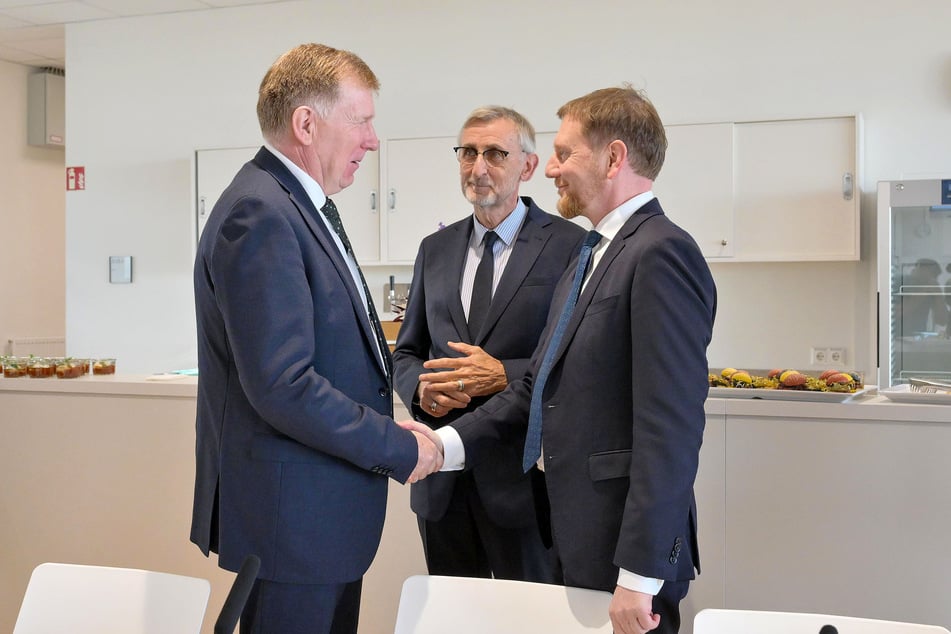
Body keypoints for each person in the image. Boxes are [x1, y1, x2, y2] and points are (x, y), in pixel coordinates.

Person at [407, 85, 717, 634]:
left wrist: (641, 575)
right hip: (577, 534)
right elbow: (538, 387)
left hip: (624, 555)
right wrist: (441, 444)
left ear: (614, 158)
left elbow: (669, 429)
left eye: (564, 153)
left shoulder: (660, 251)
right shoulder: (593, 255)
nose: (550, 170)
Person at [190, 43, 441, 634]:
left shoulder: (297, 205)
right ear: (307, 123)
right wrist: (397, 448)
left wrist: (388, 424)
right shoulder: (260, 214)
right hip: (292, 526)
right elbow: (283, 385)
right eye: (362, 120)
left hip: (315, 523)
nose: (373, 140)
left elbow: (324, 361)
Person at [392, 106, 586, 582]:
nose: (478, 167)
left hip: (522, 482)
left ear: (527, 166)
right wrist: (419, 387)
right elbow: (406, 352)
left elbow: (575, 360)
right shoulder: (432, 250)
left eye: (496, 153)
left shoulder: (570, 245)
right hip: (442, 488)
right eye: (468, 153)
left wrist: (504, 373)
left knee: (528, 621)